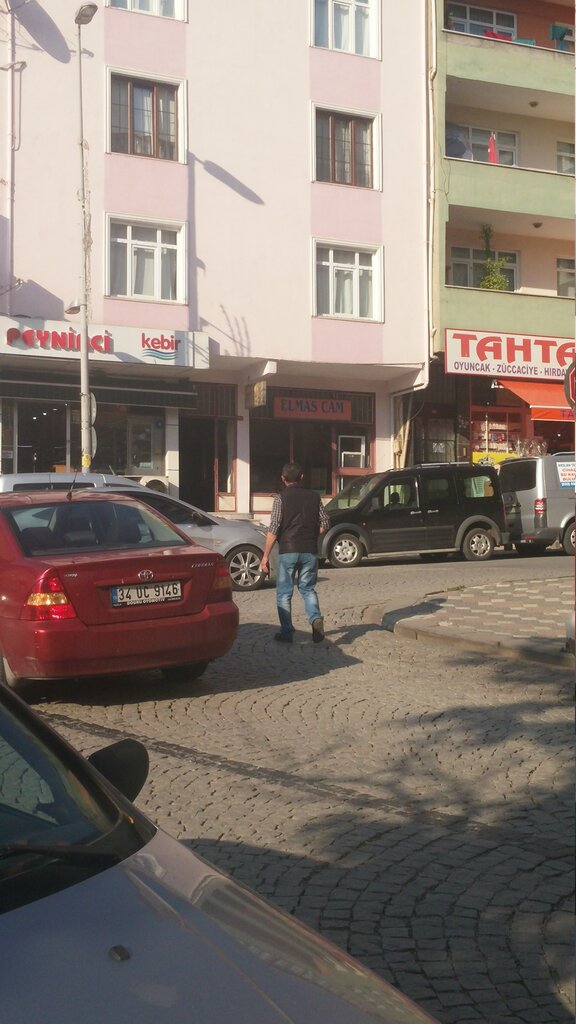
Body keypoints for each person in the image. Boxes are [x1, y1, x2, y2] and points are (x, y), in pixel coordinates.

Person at [259, 461, 329, 644]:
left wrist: (265, 556)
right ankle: (315, 619)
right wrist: (312, 534)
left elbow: (274, 528)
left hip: (288, 550)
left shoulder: (280, 498)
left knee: (284, 593)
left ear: (283, 478)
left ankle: (287, 632)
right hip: (309, 550)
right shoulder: (315, 497)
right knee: (308, 589)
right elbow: (325, 523)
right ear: (302, 477)